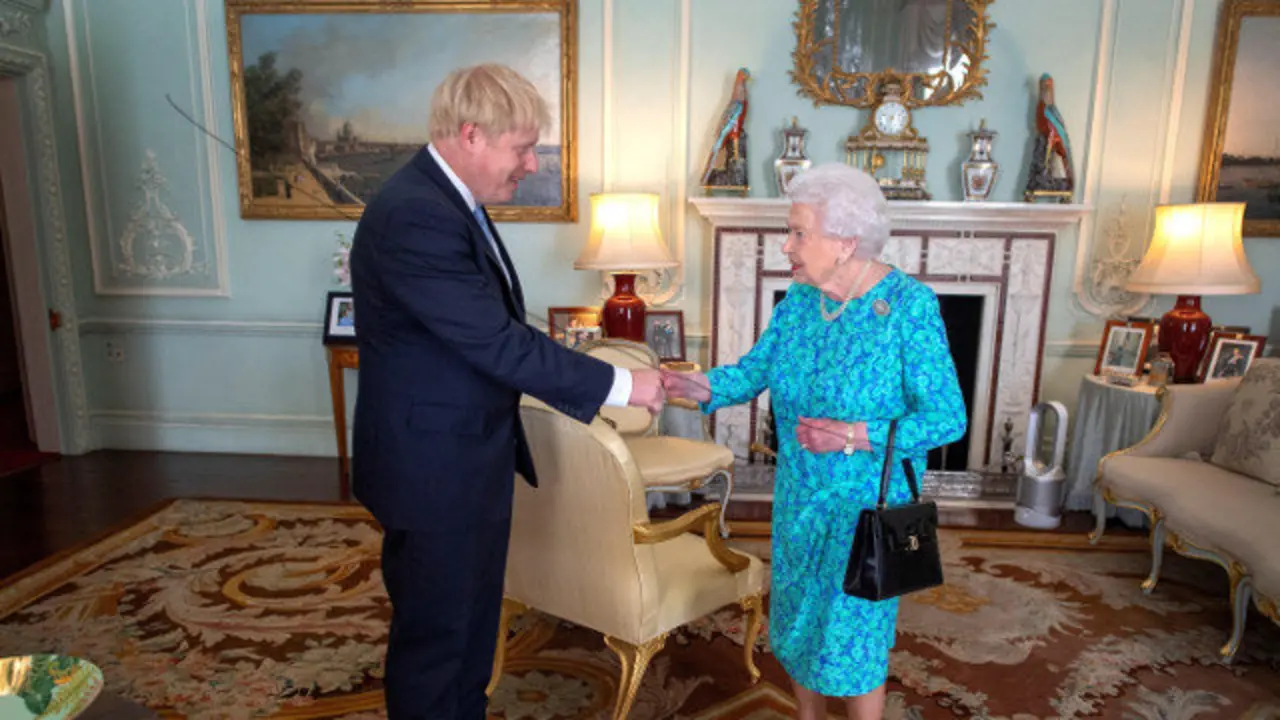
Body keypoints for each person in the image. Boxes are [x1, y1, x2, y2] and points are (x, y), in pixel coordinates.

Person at [347, 64, 665, 719]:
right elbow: (495, 341)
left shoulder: (446, 204)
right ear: (471, 135)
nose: (529, 164)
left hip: (461, 457)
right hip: (432, 468)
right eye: (522, 148)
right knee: (437, 643)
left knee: (466, 627)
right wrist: (625, 383)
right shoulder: (415, 215)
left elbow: (492, 333)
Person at [663, 163, 966, 720]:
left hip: (867, 509)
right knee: (799, 621)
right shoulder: (800, 303)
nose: (786, 245)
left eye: (799, 233)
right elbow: (754, 371)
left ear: (846, 242)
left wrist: (855, 435)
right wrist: (697, 384)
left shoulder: (908, 308)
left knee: (853, 638)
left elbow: (947, 417)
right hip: (801, 500)